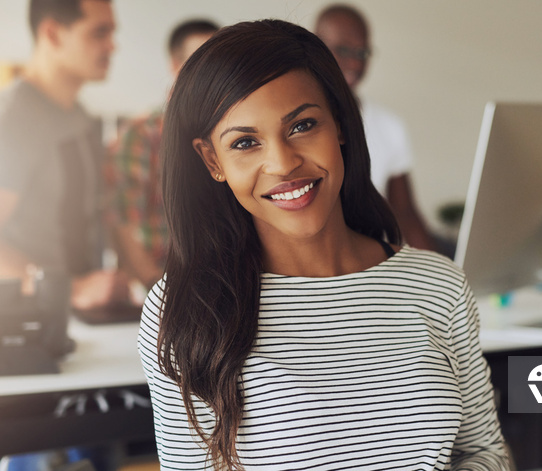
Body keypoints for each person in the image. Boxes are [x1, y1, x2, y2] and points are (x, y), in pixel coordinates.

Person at [138, 19, 511, 470]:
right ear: (212, 160)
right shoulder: (183, 309)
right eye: (246, 142)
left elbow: (485, 453)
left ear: (339, 123)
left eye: (302, 125)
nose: (282, 163)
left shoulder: (439, 287)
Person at [0, 0, 130, 311]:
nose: (113, 46)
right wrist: (71, 290)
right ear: (53, 34)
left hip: (77, 318)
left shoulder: (81, 116)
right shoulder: (13, 119)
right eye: (100, 33)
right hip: (28, 319)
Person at [106, 19, 219, 290]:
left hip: (217, 289)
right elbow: (124, 224)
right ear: (175, 65)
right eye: (197, 61)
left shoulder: (228, 134)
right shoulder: (141, 135)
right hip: (159, 292)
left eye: (216, 62)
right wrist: (159, 292)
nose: (210, 73)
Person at [315, 4, 438, 252]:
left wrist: (442, 274)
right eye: (343, 50)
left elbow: (405, 213)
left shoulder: (390, 125)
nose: (354, 64)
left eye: (362, 53)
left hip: (372, 253)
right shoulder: (298, 123)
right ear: (315, 47)